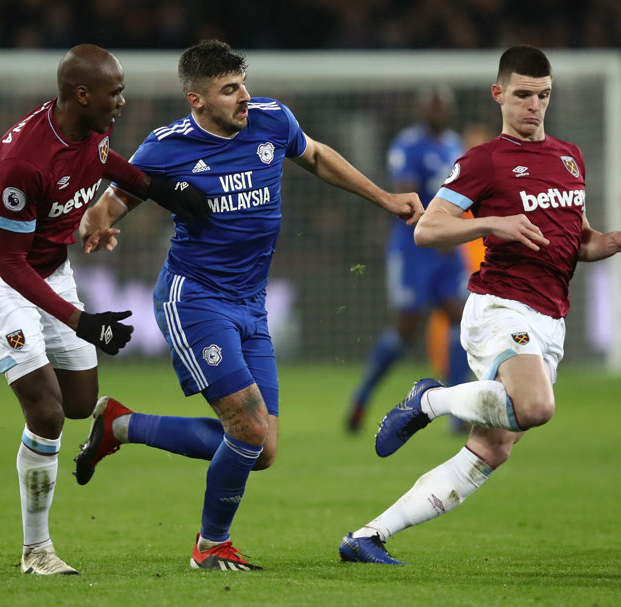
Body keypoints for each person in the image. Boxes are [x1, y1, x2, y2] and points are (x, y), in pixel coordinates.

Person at [73, 40, 423, 571]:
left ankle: (119, 425)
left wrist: (385, 199)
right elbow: (119, 197)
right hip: (194, 300)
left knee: (261, 449)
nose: (244, 97)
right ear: (196, 100)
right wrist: (97, 222)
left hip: (250, 305)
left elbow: (319, 157)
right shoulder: (166, 146)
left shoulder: (271, 120)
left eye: (243, 84)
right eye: (229, 90)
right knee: (249, 428)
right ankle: (210, 546)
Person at [0, 44, 208, 575]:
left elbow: (107, 165)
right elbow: (12, 266)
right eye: (116, 92)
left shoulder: (92, 125)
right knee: (47, 411)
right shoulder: (23, 161)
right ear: (82, 94)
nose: (123, 101)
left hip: (51, 266)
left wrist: (166, 192)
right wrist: (83, 321)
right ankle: (36, 550)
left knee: (81, 402)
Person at [338, 45, 621, 565]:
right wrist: (490, 223)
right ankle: (429, 400)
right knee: (536, 407)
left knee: (491, 449)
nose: (534, 106)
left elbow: (578, 241)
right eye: (523, 95)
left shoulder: (569, 157)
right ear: (499, 94)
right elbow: (428, 230)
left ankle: (368, 536)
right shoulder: (484, 161)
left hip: (551, 317)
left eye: (543, 96)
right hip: (501, 307)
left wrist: (612, 240)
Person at [345, 88, 472, 435]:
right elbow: (405, 193)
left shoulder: (453, 145)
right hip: (413, 249)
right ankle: (362, 395)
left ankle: (458, 412)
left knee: (461, 319)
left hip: (448, 248)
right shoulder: (407, 145)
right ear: (421, 110)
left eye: (443, 106)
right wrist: (436, 230)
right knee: (406, 329)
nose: (438, 112)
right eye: (433, 106)